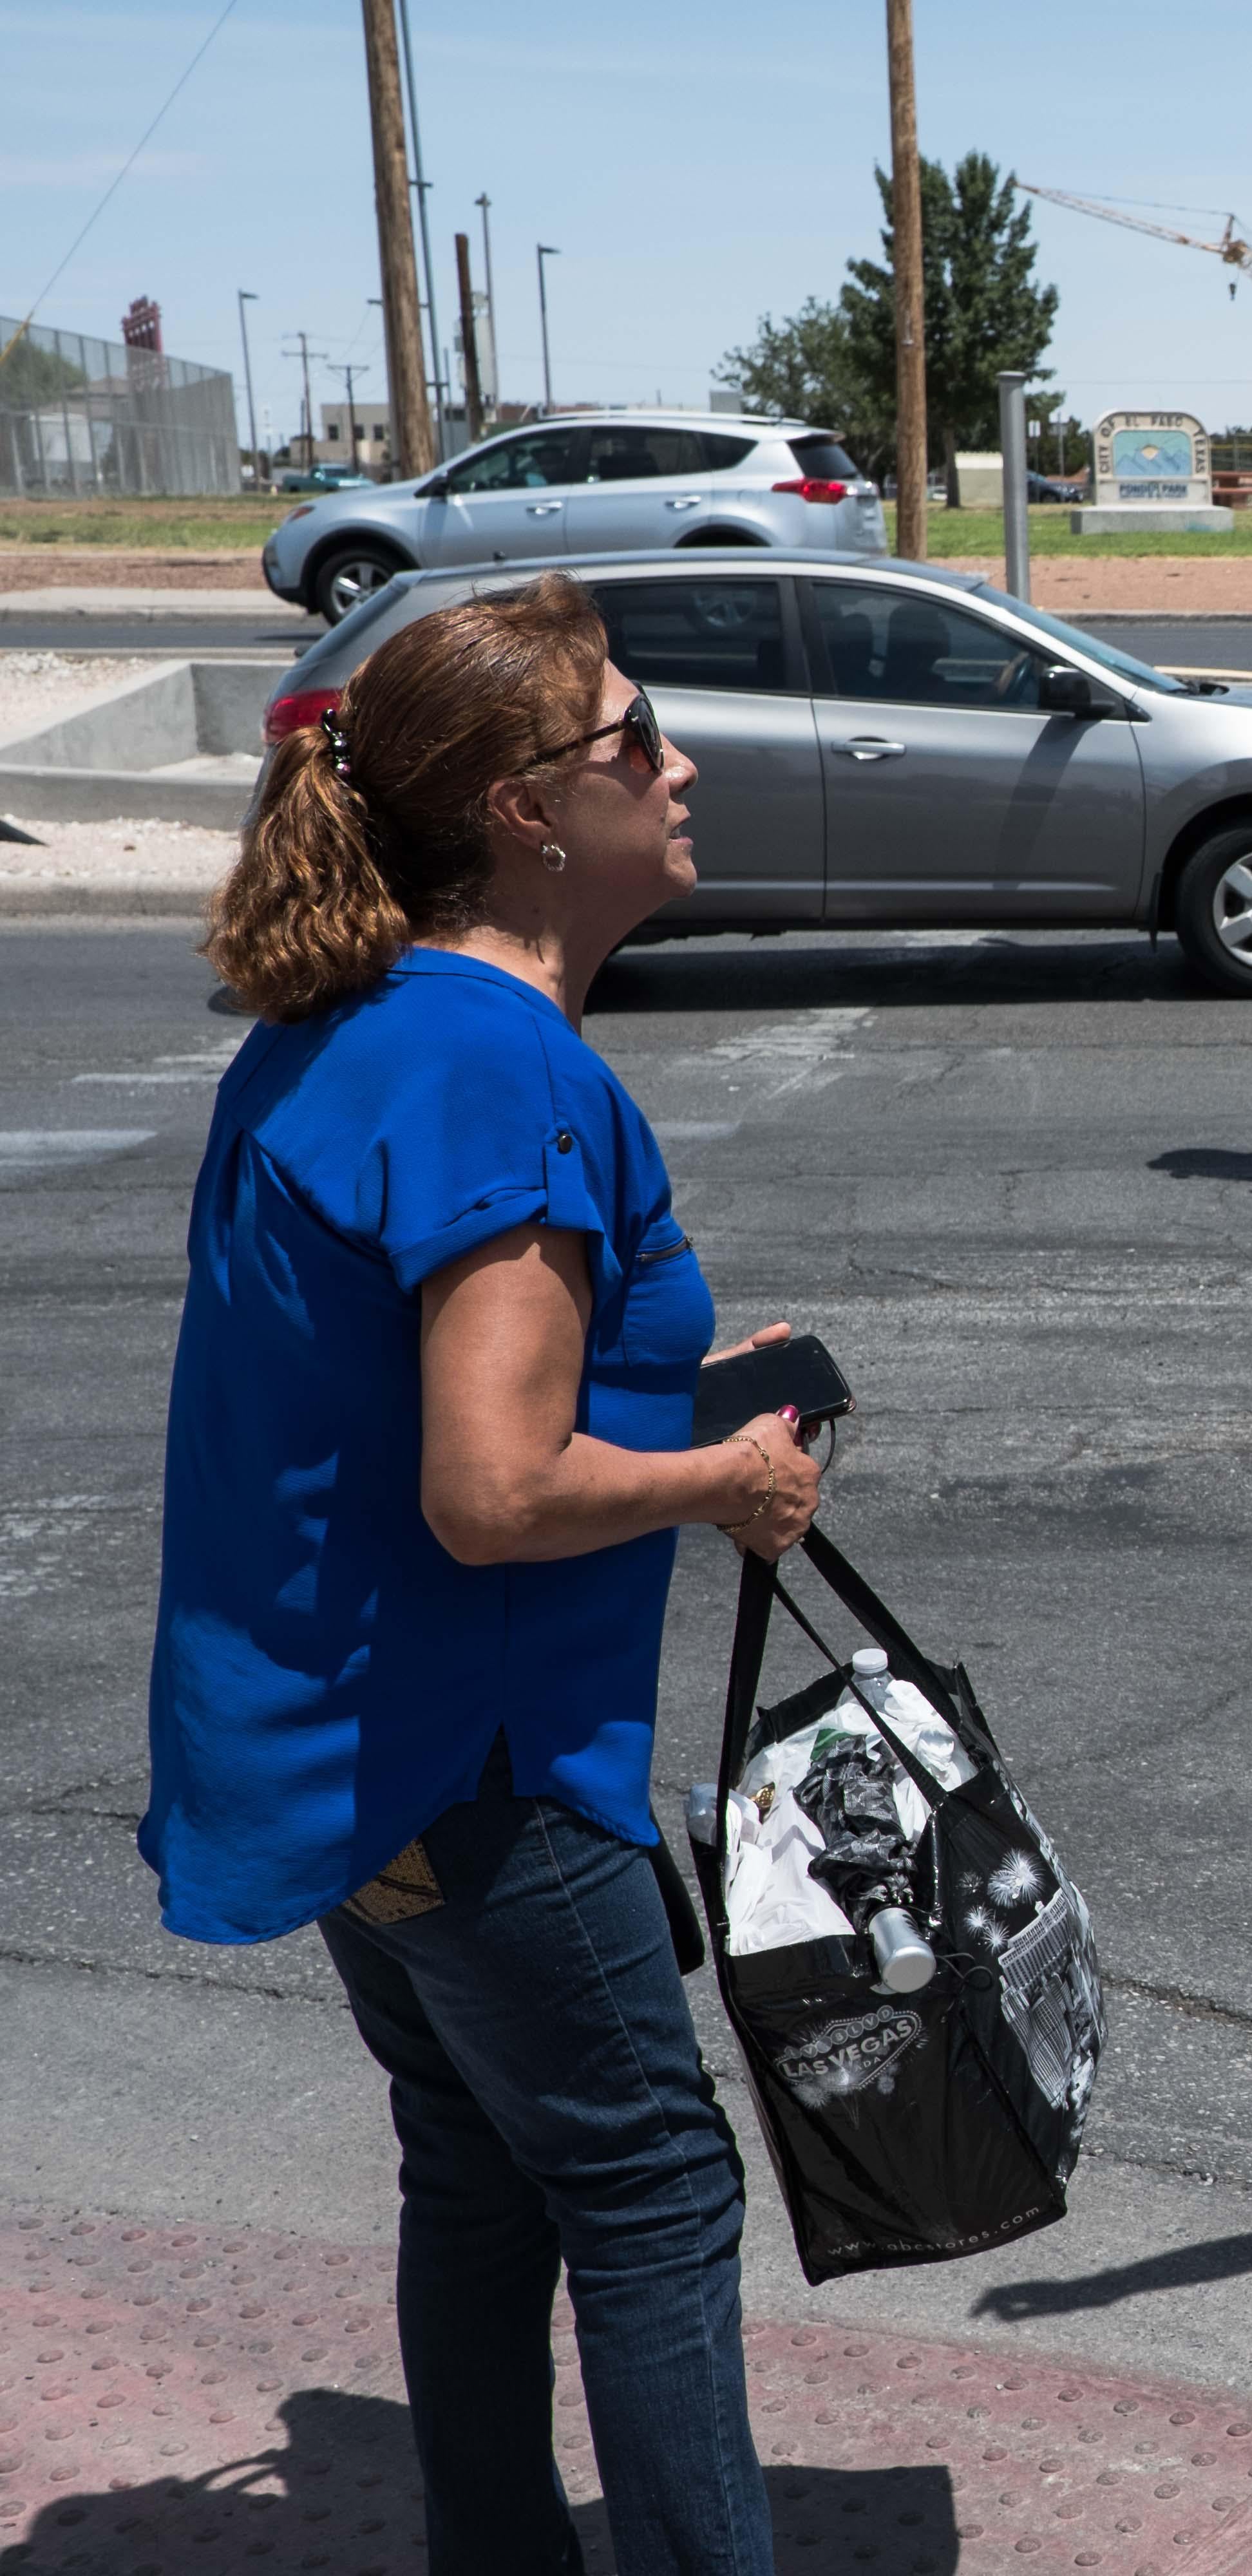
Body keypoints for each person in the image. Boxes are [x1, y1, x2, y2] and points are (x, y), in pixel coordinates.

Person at [150, 572, 822, 2570]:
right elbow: (491, 1488)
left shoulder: (346, 1030)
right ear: (529, 808)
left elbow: (398, 1387)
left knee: (476, 2174)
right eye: (634, 738)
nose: (676, 761)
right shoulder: (500, 1065)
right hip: (489, 1763)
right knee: (650, 2190)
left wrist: (667, 1376)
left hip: (356, 1758)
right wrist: (726, 1476)